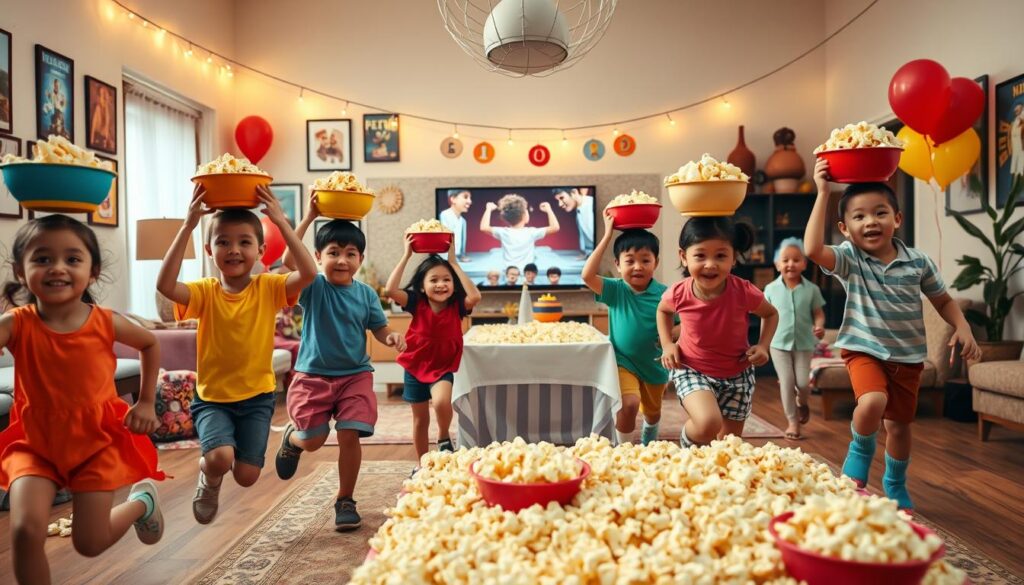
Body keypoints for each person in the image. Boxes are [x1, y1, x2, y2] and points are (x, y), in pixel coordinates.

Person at [805, 159, 980, 510]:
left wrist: (963, 326)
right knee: (872, 402)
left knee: (899, 428)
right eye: (859, 216)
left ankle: (894, 482)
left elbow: (943, 301)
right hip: (862, 349)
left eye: (880, 212)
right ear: (844, 227)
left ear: (897, 219)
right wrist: (823, 192)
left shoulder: (919, 262)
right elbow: (811, 250)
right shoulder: (850, 259)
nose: (870, 221)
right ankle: (859, 449)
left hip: (907, 357)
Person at [0, 215, 165, 584]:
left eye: (72, 259)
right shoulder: (16, 323)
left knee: (89, 544)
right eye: (42, 259)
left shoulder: (105, 321)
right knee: (25, 532)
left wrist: (146, 401)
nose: (57, 268)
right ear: (20, 270)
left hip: (95, 441)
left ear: (93, 271)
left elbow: (150, 343)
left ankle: (142, 503)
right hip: (34, 442)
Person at [157, 185, 317, 525]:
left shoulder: (269, 288)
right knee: (219, 457)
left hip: (257, 398)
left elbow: (308, 274)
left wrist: (282, 222)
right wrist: (187, 225)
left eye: (244, 242)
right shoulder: (203, 292)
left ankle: (220, 470)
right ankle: (209, 477)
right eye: (223, 242)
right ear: (209, 248)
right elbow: (165, 285)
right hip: (213, 397)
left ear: (260, 250)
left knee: (246, 475)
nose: (234, 250)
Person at [274, 196, 405, 531]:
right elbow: (289, 260)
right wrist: (308, 216)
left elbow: (379, 327)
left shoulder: (366, 295)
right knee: (314, 441)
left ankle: (345, 499)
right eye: (333, 252)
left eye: (350, 254)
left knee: (350, 435)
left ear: (360, 259)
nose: (341, 260)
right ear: (317, 257)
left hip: (355, 376)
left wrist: (389, 336)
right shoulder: (313, 286)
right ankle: (292, 440)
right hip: (312, 377)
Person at [657, 216, 779, 446]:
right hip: (692, 369)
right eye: (700, 255)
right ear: (683, 257)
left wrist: (763, 345)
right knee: (707, 423)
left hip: (737, 374)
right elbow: (663, 311)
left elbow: (771, 314)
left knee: (728, 444)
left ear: (733, 258)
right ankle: (686, 450)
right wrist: (667, 344)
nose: (710, 264)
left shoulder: (744, 291)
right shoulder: (679, 292)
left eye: (721, 256)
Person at [386, 237, 481, 470]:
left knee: (440, 402)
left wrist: (455, 263)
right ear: (422, 286)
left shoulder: (458, 304)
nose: (441, 284)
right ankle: (421, 464)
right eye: (434, 280)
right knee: (420, 420)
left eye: (446, 280)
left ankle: (442, 435)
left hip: (443, 365)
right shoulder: (416, 302)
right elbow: (390, 289)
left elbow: (476, 297)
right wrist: (406, 255)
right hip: (415, 366)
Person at [584, 207, 673, 446]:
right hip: (624, 360)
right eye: (629, 261)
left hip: (655, 364)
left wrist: (669, 341)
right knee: (629, 404)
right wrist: (606, 236)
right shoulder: (616, 289)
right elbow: (587, 275)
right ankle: (624, 449)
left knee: (653, 413)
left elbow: (680, 325)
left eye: (645, 260)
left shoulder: (665, 294)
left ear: (656, 262)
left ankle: (649, 438)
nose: (637, 266)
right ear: (617, 264)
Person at [763, 237, 826, 440]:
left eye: (796, 259)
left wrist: (819, 325)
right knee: (787, 382)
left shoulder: (812, 290)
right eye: (785, 260)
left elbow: (818, 313)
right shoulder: (770, 290)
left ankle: (803, 403)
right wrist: (763, 343)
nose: (790, 264)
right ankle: (792, 422)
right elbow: (765, 315)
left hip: (804, 343)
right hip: (777, 343)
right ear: (777, 264)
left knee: (803, 384)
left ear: (804, 264)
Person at [481, 194, 559, 268]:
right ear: (524, 215)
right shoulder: (531, 232)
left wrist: (488, 209)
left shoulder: (503, 233)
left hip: (509, 273)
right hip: (526, 274)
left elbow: (484, 227)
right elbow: (555, 227)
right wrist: (549, 210)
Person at [553, 187, 595, 257]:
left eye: (562, 198)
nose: (560, 204)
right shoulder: (579, 210)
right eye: (558, 200)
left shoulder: (593, 205)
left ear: (574, 192)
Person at [439, 189, 472, 262]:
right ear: (453, 199)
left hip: (456, 258)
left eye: (470, 198)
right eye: (465, 197)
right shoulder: (444, 215)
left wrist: (461, 256)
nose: (470, 201)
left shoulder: (463, 221)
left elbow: (462, 241)